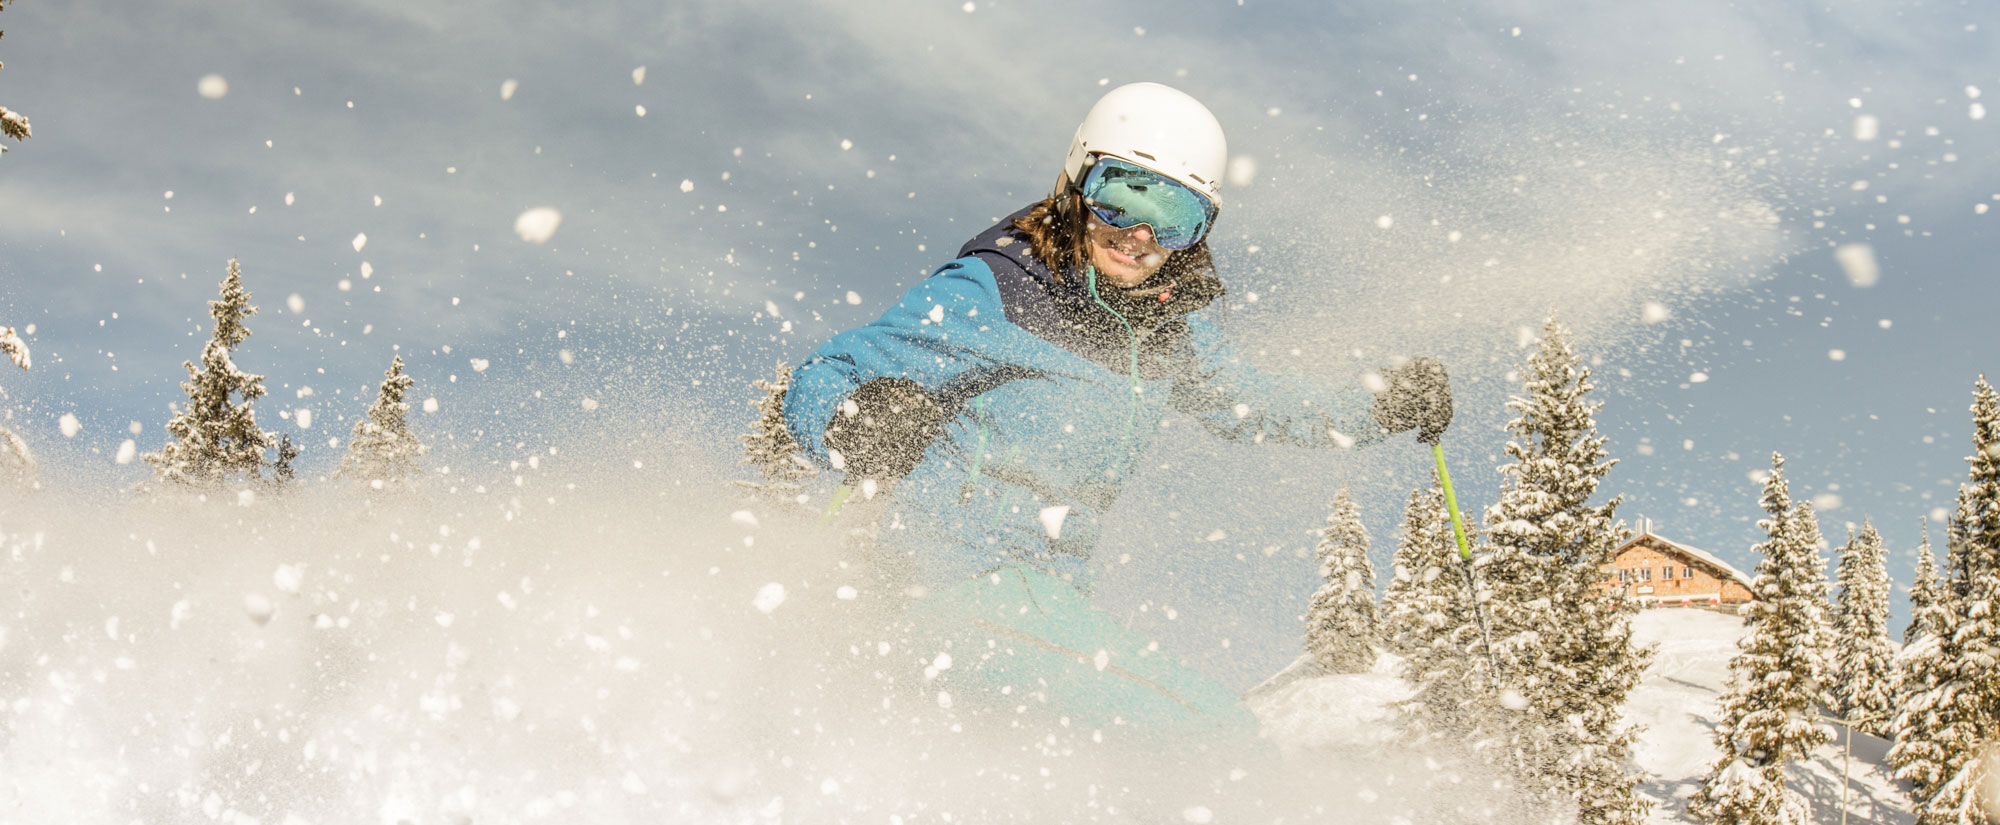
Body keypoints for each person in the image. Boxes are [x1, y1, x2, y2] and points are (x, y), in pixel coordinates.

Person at [784, 82, 1453, 747]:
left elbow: (1252, 402)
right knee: (1221, 738)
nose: (1140, 234)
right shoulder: (1001, 290)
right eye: (1124, 194)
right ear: (1078, 184)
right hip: (947, 586)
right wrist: (851, 419)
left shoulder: (1167, 334)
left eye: (1177, 215)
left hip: (1045, 607)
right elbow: (827, 376)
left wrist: (1379, 408)